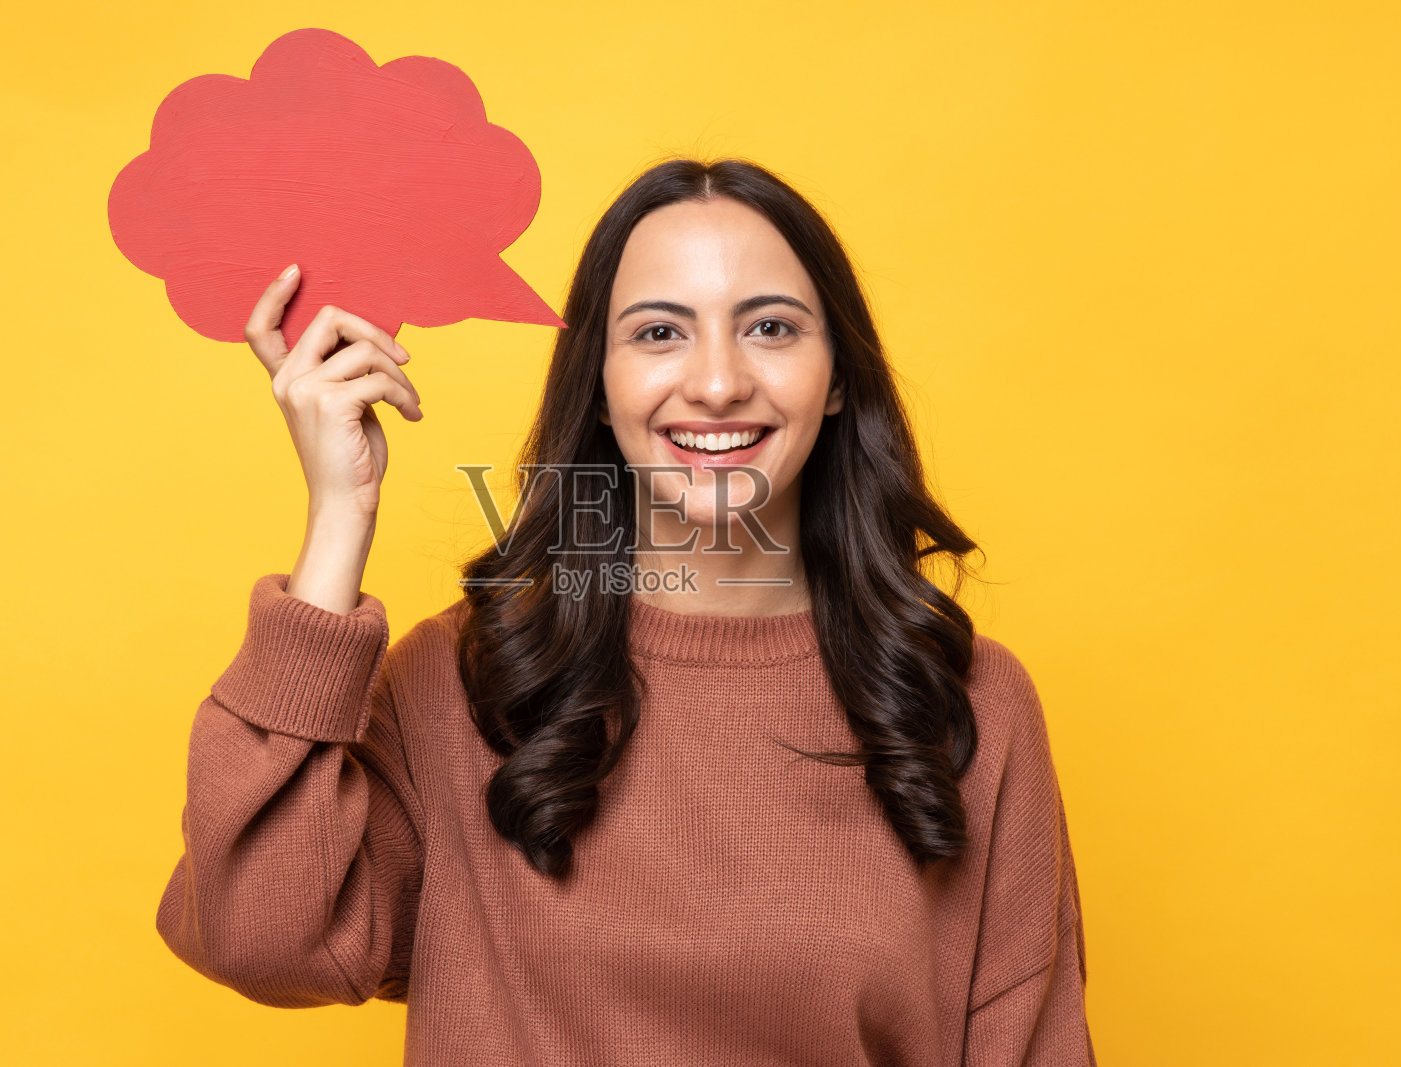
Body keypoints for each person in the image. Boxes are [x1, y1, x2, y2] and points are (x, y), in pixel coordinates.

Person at [155, 158, 1095, 1065]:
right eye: (658, 333)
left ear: (839, 377)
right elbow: (258, 934)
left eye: (771, 328)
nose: (719, 382)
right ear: (599, 390)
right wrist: (338, 516)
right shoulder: (465, 680)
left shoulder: (967, 702)